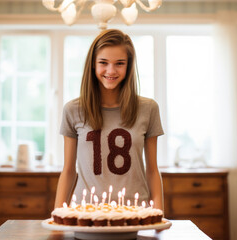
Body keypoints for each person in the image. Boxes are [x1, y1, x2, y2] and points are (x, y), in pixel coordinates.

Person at [54, 29, 164, 212]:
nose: (111, 71)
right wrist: (57, 215)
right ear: (93, 65)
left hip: (136, 212)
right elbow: (68, 170)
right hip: (86, 213)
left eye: (119, 63)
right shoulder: (73, 110)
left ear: (128, 66)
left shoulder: (149, 108)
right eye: (103, 63)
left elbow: (152, 170)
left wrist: (159, 214)